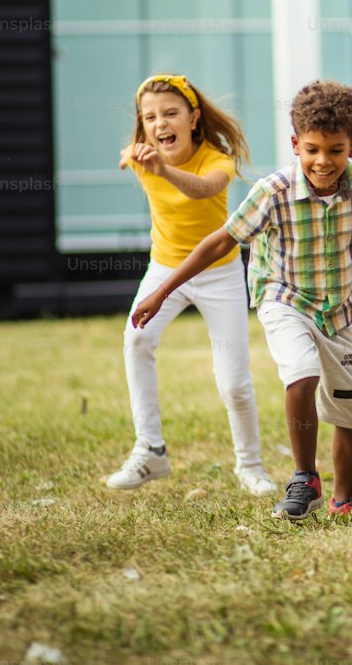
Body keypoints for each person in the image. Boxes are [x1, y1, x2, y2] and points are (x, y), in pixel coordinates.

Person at [133, 80, 352, 523]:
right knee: (301, 374)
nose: (324, 161)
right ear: (295, 145)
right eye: (312, 150)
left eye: (336, 151)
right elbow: (219, 241)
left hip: (338, 309)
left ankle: (345, 500)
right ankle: (305, 477)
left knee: (349, 408)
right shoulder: (273, 191)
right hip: (281, 296)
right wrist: (161, 290)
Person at [105, 74, 274, 496]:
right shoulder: (142, 156)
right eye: (150, 117)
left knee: (233, 382)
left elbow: (202, 191)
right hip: (165, 269)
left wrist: (161, 169)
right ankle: (151, 450)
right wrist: (134, 158)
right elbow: (126, 154)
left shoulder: (217, 160)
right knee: (136, 342)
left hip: (219, 274)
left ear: (194, 118)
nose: (160, 123)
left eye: (170, 114)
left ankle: (250, 466)